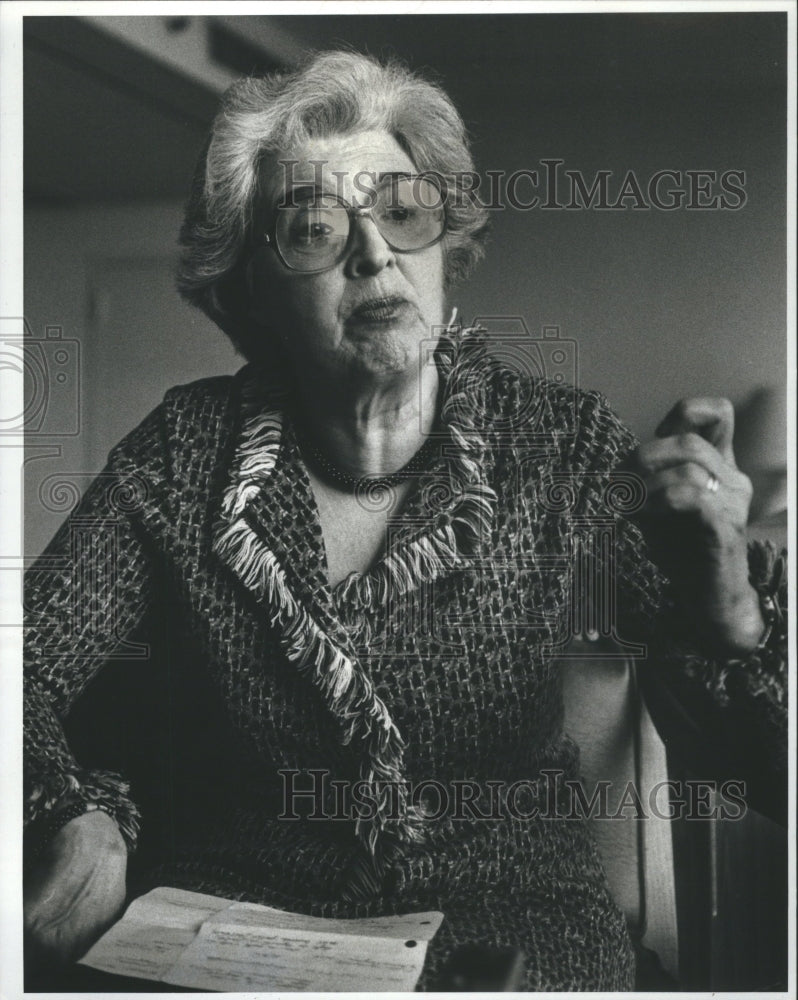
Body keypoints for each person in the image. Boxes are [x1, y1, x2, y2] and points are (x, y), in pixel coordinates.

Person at [23, 51, 787, 990]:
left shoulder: (559, 445)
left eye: (403, 213)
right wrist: (64, 808)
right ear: (252, 285)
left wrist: (732, 609)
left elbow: (771, 775)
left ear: (444, 250)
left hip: (509, 939)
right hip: (239, 935)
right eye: (314, 227)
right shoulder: (184, 451)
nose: (374, 252)